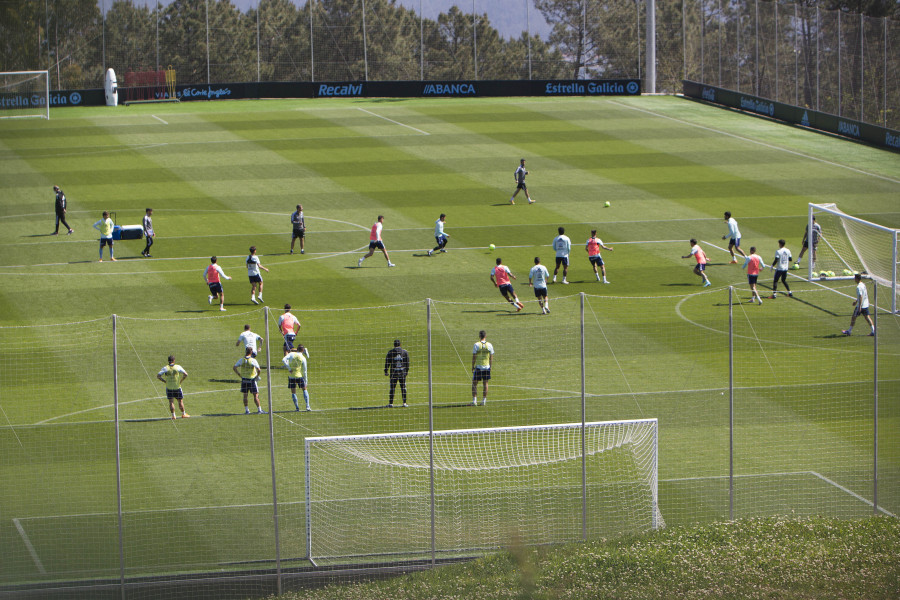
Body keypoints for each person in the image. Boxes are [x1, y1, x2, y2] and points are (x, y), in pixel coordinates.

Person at [233, 347, 266, 414]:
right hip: (252, 380)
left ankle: (247, 410)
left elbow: (234, 367)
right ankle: (259, 410)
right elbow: (259, 369)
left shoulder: (241, 360)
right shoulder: (253, 360)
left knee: (245, 395)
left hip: (244, 380)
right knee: (255, 395)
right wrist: (257, 376)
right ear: (251, 352)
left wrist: (239, 374)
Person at [156, 355, 189, 420]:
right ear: (174, 360)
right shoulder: (178, 367)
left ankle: (173, 416)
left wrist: (165, 381)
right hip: (177, 387)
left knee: (171, 402)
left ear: (168, 361)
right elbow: (186, 374)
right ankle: (183, 414)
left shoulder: (165, 368)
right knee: (180, 401)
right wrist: (181, 380)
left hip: (169, 388)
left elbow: (158, 376)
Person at [282, 344, 310, 411]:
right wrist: (306, 380)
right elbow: (305, 371)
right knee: (304, 390)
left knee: (293, 392)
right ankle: (307, 406)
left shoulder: (291, 354)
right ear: (303, 350)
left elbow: (283, 360)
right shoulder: (303, 358)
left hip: (292, 377)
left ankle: (297, 408)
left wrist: (289, 368)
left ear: (297, 349)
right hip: (299, 376)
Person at [384, 339, 410, 407]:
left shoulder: (390, 352)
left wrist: (386, 371)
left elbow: (387, 362)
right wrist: (406, 371)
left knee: (392, 388)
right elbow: (407, 363)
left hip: (393, 373)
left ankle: (391, 403)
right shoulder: (404, 352)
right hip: (402, 373)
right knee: (403, 387)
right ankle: (404, 403)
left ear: (394, 345)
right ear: (400, 344)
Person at [471, 330, 494, 406]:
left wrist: (472, 366)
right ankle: (483, 401)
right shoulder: (489, 345)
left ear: (479, 336)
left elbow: (474, 357)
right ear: (485, 336)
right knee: (485, 384)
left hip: (478, 367)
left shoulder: (476, 345)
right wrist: (490, 366)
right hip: (486, 367)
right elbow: (491, 357)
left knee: (474, 383)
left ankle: (474, 401)